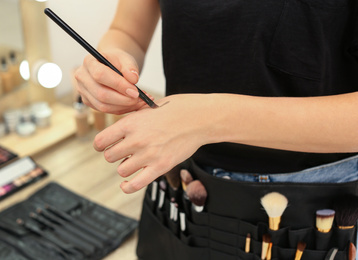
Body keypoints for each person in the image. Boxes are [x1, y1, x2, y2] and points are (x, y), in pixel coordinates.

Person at [75, 0, 358, 194]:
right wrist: (111, 63)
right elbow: (126, 31)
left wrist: (207, 119)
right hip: (182, 182)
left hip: (313, 199)